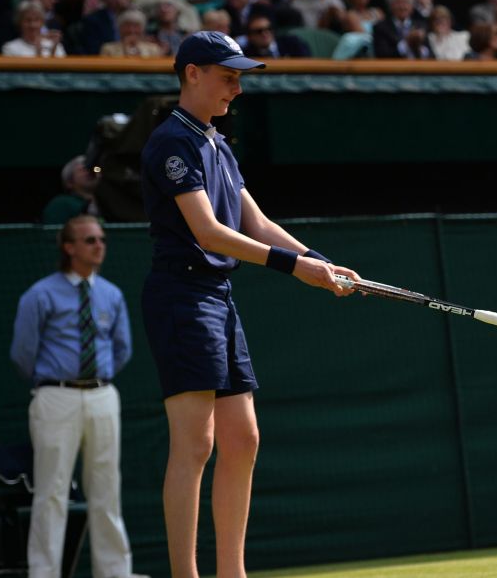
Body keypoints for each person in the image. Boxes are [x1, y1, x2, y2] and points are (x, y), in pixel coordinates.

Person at [139, 30, 359, 577]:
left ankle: (231, 573)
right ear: (192, 73)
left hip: (217, 296)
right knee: (196, 445)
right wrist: (294, 268)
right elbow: (209, 232)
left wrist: (319, 260)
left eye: (239, 77)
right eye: (228, 76)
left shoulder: (217, 143)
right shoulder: (172, 142)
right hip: (181, 297)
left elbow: (255, 223)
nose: (236, 88)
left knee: (244, 438)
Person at [10, 215, 146, 578]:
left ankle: (115, 573)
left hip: (103, 395)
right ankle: (44, 573)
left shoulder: (111, 294)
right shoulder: (40, 294)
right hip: (56, 396)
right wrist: (54, 381)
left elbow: (122, 349)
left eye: (101, 239)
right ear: (68, 247)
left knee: (106, 490)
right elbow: (23, 352)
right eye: (89, 240)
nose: (99, 245)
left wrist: (97, 379)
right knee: (51, 491)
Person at [43, 155, 101, 224]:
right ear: (69, 182)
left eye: (95, 169)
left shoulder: (109, 203)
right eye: (83, 169)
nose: (91, 172)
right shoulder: (61, 204)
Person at [100, 9, 165, 57]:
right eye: (127, 26)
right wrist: (124, 47)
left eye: (136, 26)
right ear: (119, 29)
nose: (131, 30)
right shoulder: (107, 48)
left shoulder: (153, 49)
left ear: (142, 29)